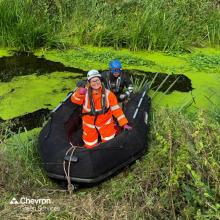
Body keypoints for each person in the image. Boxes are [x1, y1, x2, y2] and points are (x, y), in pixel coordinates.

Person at [71, 70, 132, 149]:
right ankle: (90, 152)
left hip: (105, 122)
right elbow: (74, 100)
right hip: (89, 123)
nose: (95, 83)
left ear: (100, 80)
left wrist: (124, 123)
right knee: (90, 143)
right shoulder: (84, 92)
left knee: (109, 141)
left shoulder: (108, 94)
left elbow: (116, 109)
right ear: (89, 82)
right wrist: (79, 92)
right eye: (93, 81)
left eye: (97, 80)